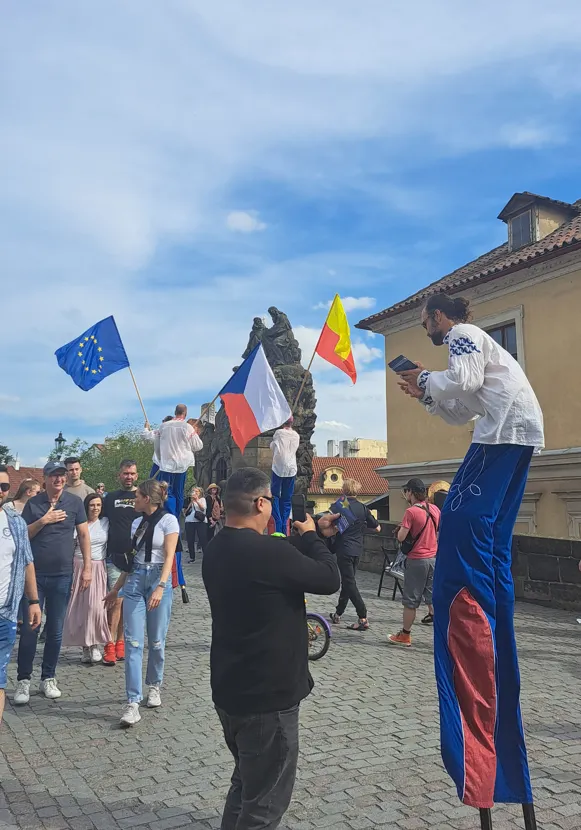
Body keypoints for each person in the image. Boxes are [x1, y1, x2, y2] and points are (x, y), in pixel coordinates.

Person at [397, 292, 544, 808]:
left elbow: (459, 382)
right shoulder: (472, 347)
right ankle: (493, 587)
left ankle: (474, 594)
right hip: (511, 430)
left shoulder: (464, 335)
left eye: (424, 319)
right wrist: (425, 394)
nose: (425, 327)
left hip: (504, 431)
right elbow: (459, 408)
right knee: (488, 526)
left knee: (460, 513)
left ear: (440, 316)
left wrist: (426, 380)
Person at [202, 468, 340, 830]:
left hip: (231, 691)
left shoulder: (215, 548)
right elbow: (329, 579)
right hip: (268, 700)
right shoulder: (269, 553)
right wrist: (312, 537)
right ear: (262, 502)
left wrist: (305, 540)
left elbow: (269, 561)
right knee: (264, 804)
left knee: (247, 783)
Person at [14, 461, 92, 705]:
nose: (59, 479)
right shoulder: (33, 504)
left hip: (62, 575)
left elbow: (83, 534)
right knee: (30, 628)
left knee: (55, 631)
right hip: (34, 576)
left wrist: (87, 566)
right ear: (45, 478)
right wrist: (44, 520)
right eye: (54, 476)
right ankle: (23, 680)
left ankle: (48, 677)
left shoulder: (75, 502)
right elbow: (24, 535)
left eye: (62, 475)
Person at [104, 479, 179, 727]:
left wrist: (161, 585)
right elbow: (131, 559)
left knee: (157, 641)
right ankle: (133, 701)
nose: (133, 500)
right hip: (136, 580)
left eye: (137, 496)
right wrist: (116, 589)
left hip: (158, 577)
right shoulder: (137, 522)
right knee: (134, 642)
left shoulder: (169, 521)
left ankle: (154, 685)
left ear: (147, 498)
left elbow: (170, 556)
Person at [0, 466, 42, 724]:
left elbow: (27, 562)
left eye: (4, 486)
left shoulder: (15, 522)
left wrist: (34, 601)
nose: (0, 490)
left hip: (4, 611)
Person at [387, 478, 440, 647]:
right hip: (433, 557)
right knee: (432, 597)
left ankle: (405, 635)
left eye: (406, 492)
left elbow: (402, 537)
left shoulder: (411, 512)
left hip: (417, 559)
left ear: (410, 492)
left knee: (411, 600)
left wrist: (400, 531)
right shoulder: (435, 509)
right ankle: (442, 636)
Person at [62, 493, 111, 664]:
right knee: (81, 608)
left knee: (96, 607)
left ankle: (95, 643)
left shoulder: (105, 523)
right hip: (79, 565)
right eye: (92, 505)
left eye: (98, 505)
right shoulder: (79, 524)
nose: (95, 508)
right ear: (86, 506)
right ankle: (85, 646)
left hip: (98, 566)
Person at [329, 478, 381, 631]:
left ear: (344, 490)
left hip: (344, 549)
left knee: (349, 582)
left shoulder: (341, 505)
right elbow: (377, 528)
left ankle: (362, 616)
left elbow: (331, 524)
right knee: (348, 581)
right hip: (357, 549)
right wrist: (362, 527)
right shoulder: (363, 508)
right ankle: (338, 613)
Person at [101, 460, 139, 666]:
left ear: (137, 475)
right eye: (125, 473)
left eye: (132, 473)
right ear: (119, 475)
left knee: (127, 604)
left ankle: (121, 641)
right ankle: (109, 643)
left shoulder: (142, 497)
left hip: (135, 558)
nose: (129, 477)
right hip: (114, 556)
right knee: (115, 601)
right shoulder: (111, 498)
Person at [145, 404, 203, 517]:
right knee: (179, 493)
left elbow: (157, 445)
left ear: (175, 412)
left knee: (167, 492)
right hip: (181, 466)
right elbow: (198, 446)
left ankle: (170, 515)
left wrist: (160, 458)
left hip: (167, 464)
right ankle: (175, 516)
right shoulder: (187, 427)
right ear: (185, 414)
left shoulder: (163, 426)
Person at [270, 417, 300, 535]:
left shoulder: (278, 433)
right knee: (287, 499)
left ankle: (278, 524)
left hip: (278, 467)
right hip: (291, 468)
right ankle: (284, 526)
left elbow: (273, 446)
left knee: (275, 496)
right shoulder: (296, 435)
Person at [184, 487, 208, 563]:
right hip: (189, 521)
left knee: (203, 539)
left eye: (196, 491)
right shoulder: (189, 500)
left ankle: (206, 556)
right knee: (190, 539)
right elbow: (185, 512)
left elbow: (203, 509)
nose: (195, 492)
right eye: (193, 491)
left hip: (200, 521)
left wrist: (197, 500)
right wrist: (191, 503)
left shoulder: (202, 499)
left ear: (200, 492)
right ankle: (192, 557)